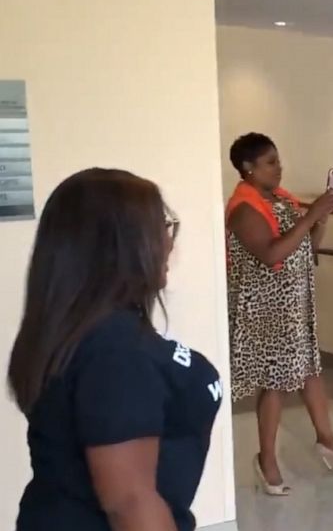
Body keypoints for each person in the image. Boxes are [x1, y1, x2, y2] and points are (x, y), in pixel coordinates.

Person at [9, 169, 222, 531]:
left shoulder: (83, 330)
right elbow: (130, 504)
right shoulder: (114, 350)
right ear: (120, 244)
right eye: (161, 226)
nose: (169, 242)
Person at [225, 133, 333, 497]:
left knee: (309, 370)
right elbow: (270, 255)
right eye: (270, 162)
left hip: (296, 302)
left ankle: (326, 439)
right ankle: (266, 459)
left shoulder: (281, 200)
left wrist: (322, 219)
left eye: (278, 159)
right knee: (275, 383)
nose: (279, 168)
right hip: (266, 308)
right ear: (248, 169)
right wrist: (312, 213)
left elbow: (307, 246)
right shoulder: (243, 208)